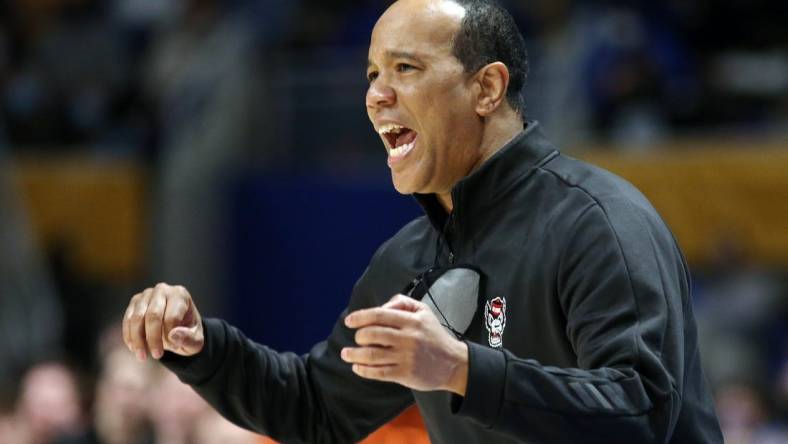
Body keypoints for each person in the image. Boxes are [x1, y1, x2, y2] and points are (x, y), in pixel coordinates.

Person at [122, 0, 723, 442]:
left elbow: (641, 413)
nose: (376, 95)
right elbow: (317, 408)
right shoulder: (410, 259)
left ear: (487, 87)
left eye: (404, 68)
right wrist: (201, 347)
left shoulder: (600, 222)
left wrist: (461, 369)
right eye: (371, 74)